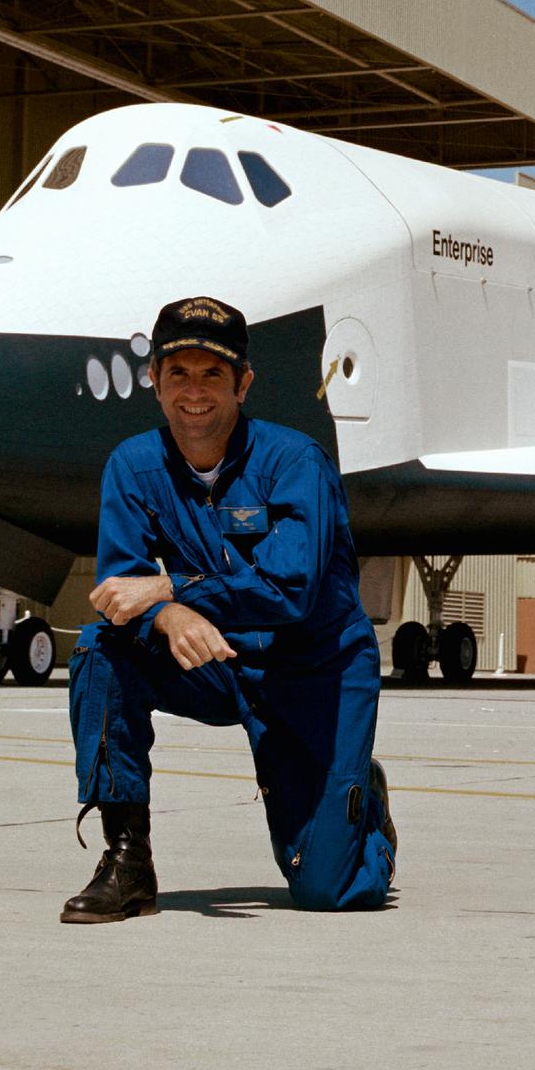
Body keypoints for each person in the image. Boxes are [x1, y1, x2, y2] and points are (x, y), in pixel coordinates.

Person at [63, 296, 395, 923]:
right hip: (218, 662)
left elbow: (289, 590)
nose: (194, 391)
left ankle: (363, 810)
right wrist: (166, 617)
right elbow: (119, 593)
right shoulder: (133, 467)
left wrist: (170, 592)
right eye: (178, 372)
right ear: (153, 381)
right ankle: (128, 859)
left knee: (330, 890)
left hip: (314, 670)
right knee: (101, 650)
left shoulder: (296, 463)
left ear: (242, 383)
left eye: (212, 373)